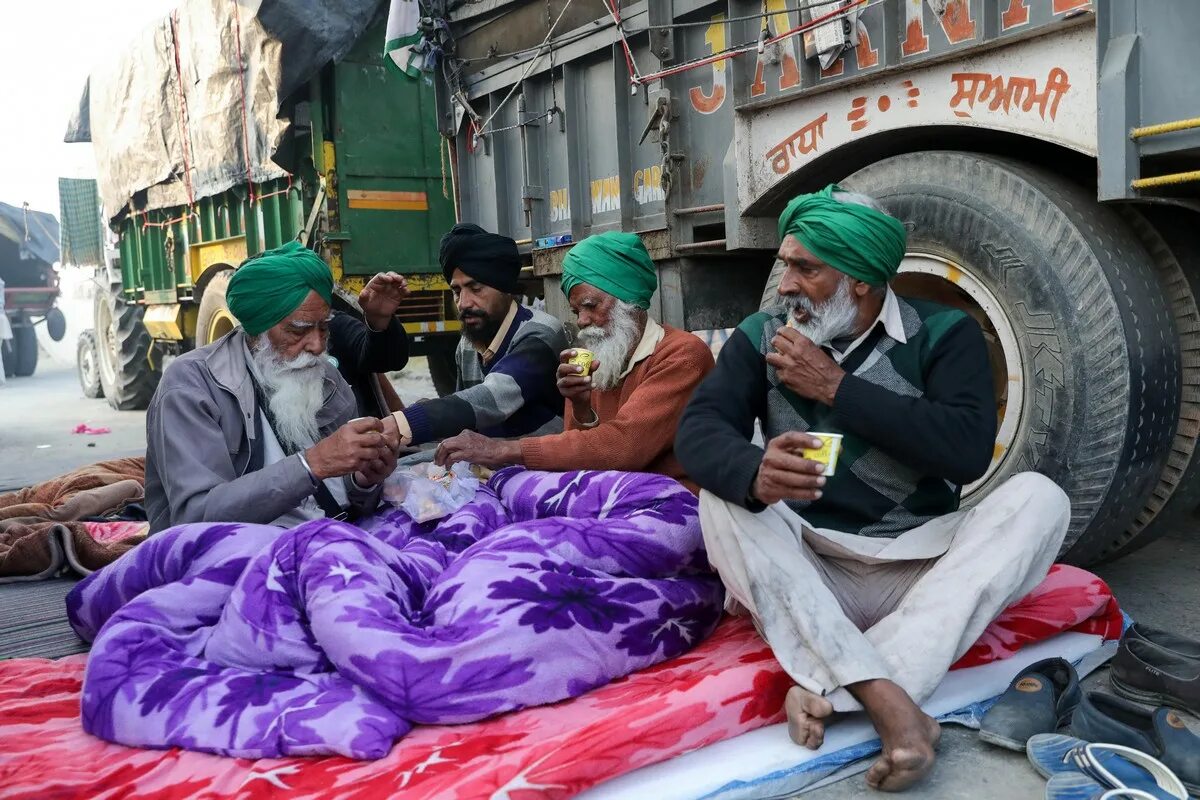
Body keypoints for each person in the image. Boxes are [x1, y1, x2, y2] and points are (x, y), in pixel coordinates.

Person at [675, 185, 1069, 792]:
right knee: (721, 496)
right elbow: (700, 432)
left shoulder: (943, 333)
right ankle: (888, 701)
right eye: (786, 265)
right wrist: (753, 471)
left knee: (1041, 499)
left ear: (859, 278)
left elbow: (965, 452)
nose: (784, 285)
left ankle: (832, 686)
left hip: (918, 560)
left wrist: (838, 388)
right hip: (812, 564)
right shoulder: (763, 335)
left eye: (805, 268)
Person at [145, 242, 396, 533]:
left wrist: (364, 480)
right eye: (298, 330)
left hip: (329, 543)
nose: (317, 346)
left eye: (324, 328)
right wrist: (311, 465)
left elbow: (351, 504)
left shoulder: (326, 377)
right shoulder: (190, 386)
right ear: (257, 329)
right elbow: (197, 518)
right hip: (233, 558)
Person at [434, 231, 714, 490]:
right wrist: (580, 407)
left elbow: (623, 447)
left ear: (628, 300)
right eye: (576, 310)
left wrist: (502, 450)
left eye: (591, 306)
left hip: (674, 501)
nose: (581, 321)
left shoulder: (683, 355)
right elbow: (580, 460)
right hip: (609, 497)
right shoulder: (601, 360)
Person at [381, 223, 568, 449]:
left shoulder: (541, 333)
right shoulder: (467, 345)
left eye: (476, 288)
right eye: (457, 291)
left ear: (504, 288)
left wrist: (404, 423)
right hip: (484, 466)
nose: (464, 303)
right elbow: (465, 422)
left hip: (541, 470)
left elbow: (493, 398)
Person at [328, 271, 411, 418]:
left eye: (321, 329)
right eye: (297, 331)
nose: (315, 345)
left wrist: (379, 319)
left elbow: (383, 358)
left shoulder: (334, 325)